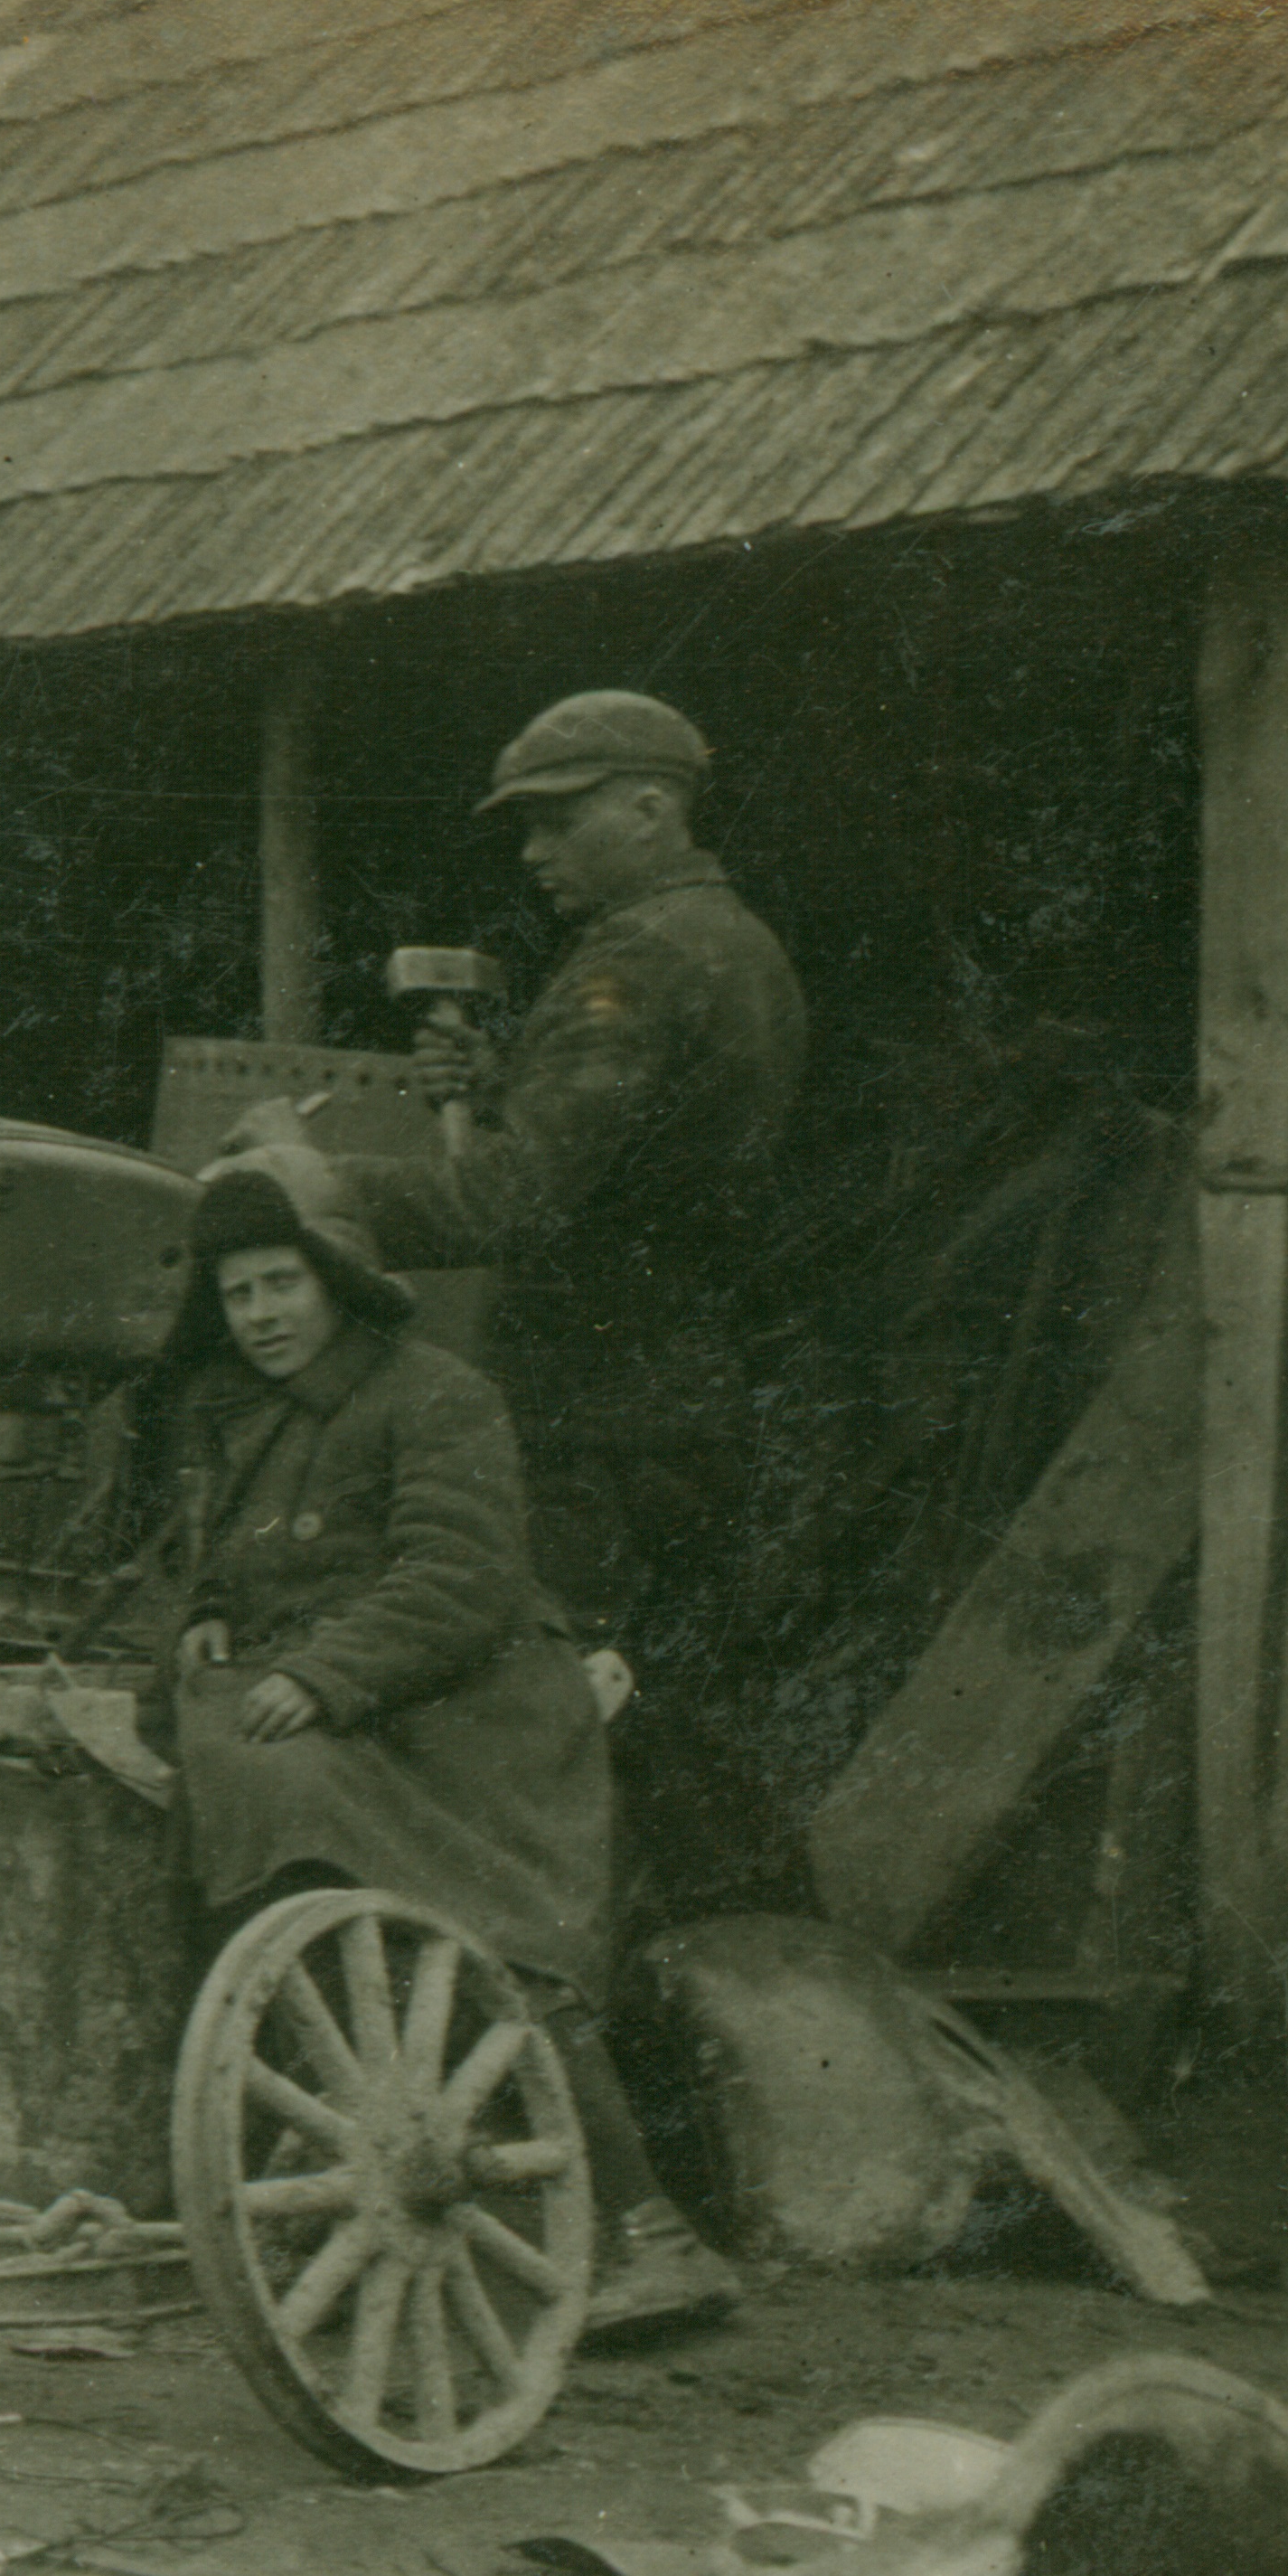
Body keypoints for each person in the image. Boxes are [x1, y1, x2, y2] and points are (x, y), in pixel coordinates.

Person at [120, 1147, 739, 2331]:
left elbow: (458, 1580)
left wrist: (320, 1670)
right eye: (238, 1294)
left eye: (281, 1286)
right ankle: (303, 2193)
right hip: (350, 1712)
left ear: (339, 1279)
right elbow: (227, 1569)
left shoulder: (437, 1394)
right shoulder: (246, 1423)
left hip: (472, 1724)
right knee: (264, 1803)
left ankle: (643, 2230)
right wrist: (205, 1621)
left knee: (478, 1922)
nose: (259, 1317)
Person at [246, 691, 806, 1873]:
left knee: (536, 1715)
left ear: (652, 809)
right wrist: (505, 1078)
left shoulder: (635, 961)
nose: (534, 853)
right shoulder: (737, 942)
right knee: (661, 1705)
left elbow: (513, 1201)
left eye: (560, 822)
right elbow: (646, 1152)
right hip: (687, 1385)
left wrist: (313, 1184)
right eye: (526, 828)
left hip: (589, 1406)